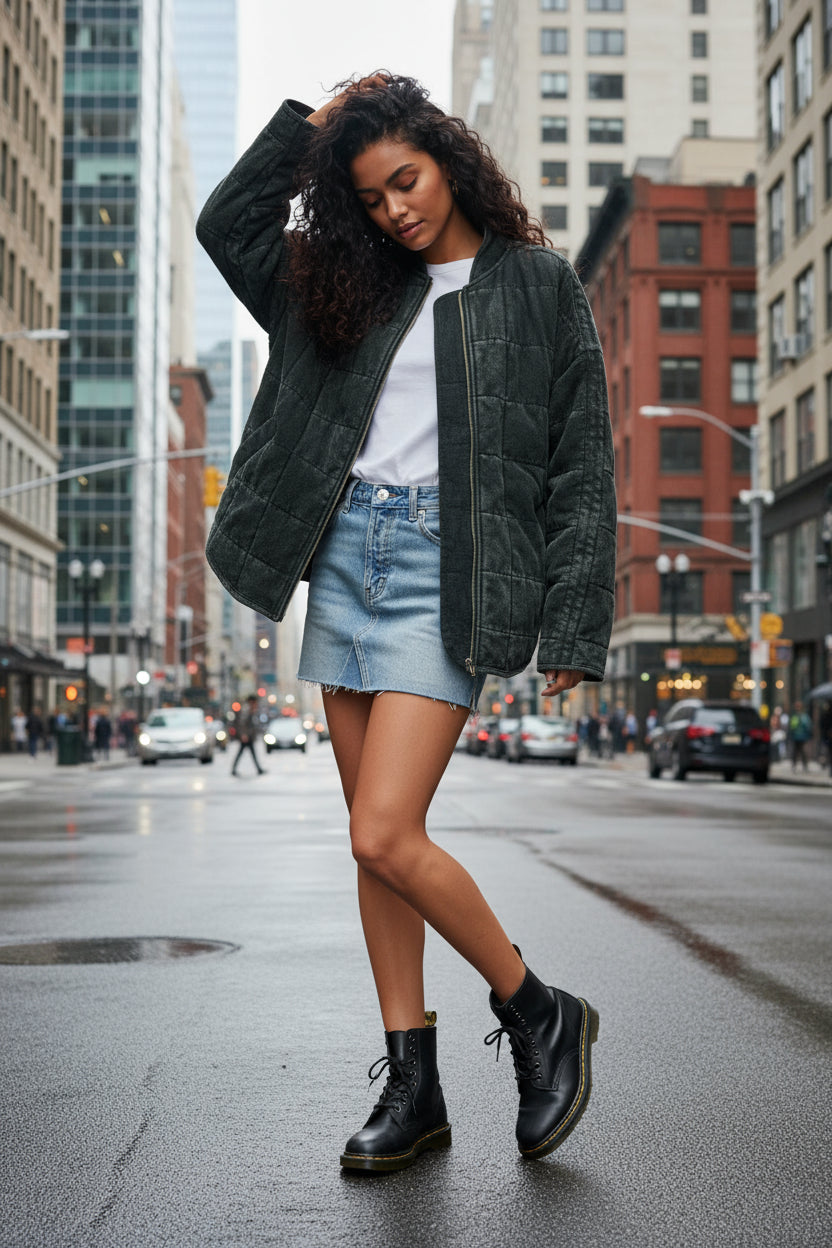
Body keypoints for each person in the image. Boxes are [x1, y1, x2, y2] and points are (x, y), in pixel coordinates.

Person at [197, 73, 615, 1172]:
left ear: (447, 159)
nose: (395, 210)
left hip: (450, 567)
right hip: (342, 556)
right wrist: (315, 126)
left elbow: (579, 464)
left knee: (387, 829)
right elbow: (225, 222)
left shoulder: (538, 286)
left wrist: (575, 620)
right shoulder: (344, 282)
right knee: (371, 850)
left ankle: (537, 1010)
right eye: (372, 196)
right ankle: (414, 1083)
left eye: (407, 180)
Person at [231, 695, 265, 777]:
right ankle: (234, 769)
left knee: (249, 753)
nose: (256, 704)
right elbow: (242, 723)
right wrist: (243, 735)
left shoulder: (251, 710)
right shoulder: (246, 710)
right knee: (243, 753)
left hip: (249, 736)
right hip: (246, 737)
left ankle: (258, 769)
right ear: (251, 702)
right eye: (255, 703)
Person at [788, 701, 813, 772]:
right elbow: (792, 726)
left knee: (802, 751)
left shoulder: (803, 716)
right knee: (796, 752)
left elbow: (808, 726)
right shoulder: (795, 716)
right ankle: (795, 765)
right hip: (796, 737)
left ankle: (804, 766)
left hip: (802, 737)